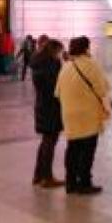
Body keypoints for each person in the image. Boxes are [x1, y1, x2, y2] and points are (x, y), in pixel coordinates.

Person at [55, 37, 112, 195]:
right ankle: (84, 183)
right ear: (86, 48)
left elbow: (57, 92)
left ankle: (71, 183)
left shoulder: (66, 66)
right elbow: (103, 89)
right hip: (87, 116)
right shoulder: (91, 65)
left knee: (72, 149)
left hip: (70, 115)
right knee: (87, 151)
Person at [31, 38, 65, 188]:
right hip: (51, 107)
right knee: (50, 142)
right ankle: (47, 177)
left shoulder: (38, 63)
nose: (59, 55)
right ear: (53, 51)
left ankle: (38, 175)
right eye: (59, 52)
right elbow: (56, 86)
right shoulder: (51, 65)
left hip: (42, 106)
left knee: (46, 141)